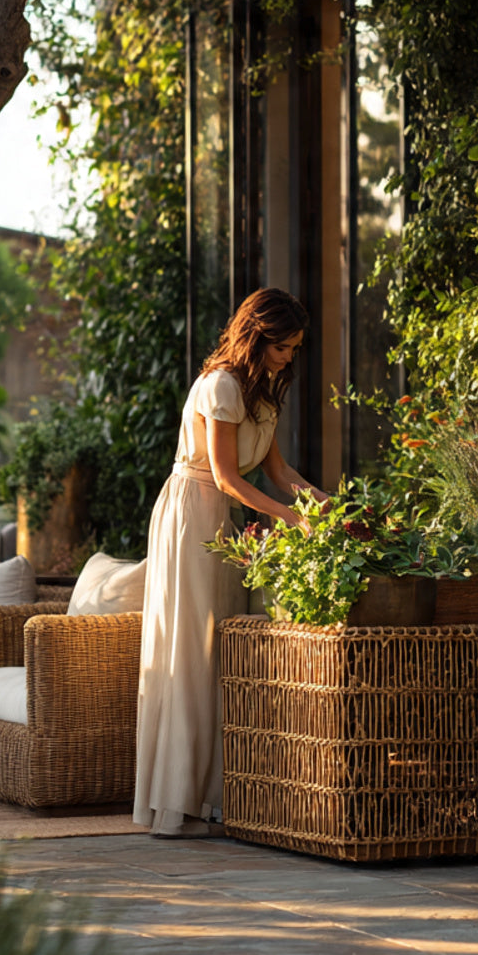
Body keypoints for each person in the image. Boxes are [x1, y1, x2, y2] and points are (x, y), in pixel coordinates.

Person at [134, 287, 328, 838]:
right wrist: (290, 520)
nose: (291, 356)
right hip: (195, 514)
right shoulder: (220, 385)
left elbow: (279, 473)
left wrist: (325, 503)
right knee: (194, 649)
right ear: (258, 337)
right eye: (284, 346)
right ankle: (179, 801)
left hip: (231, 518)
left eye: (294, 347)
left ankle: (219, 797)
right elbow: (224, 475)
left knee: (226, 649)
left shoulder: (262, 390)